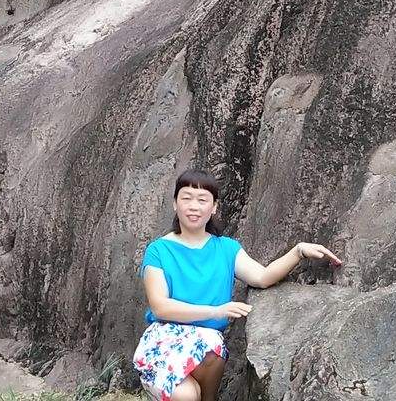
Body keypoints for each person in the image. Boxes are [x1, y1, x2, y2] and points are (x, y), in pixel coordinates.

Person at [134, 169, 340, 401]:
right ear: (175, 204)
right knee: (187, 395)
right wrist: (217, 311)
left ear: (214, 208)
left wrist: (299, 251)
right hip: (165, 341)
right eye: (186, 198)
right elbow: (161, 307)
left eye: (202, 200)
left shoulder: (226, 249)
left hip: (207, 347)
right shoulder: (158, 250)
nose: (194, 206)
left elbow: (262, 277)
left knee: (211, 348)